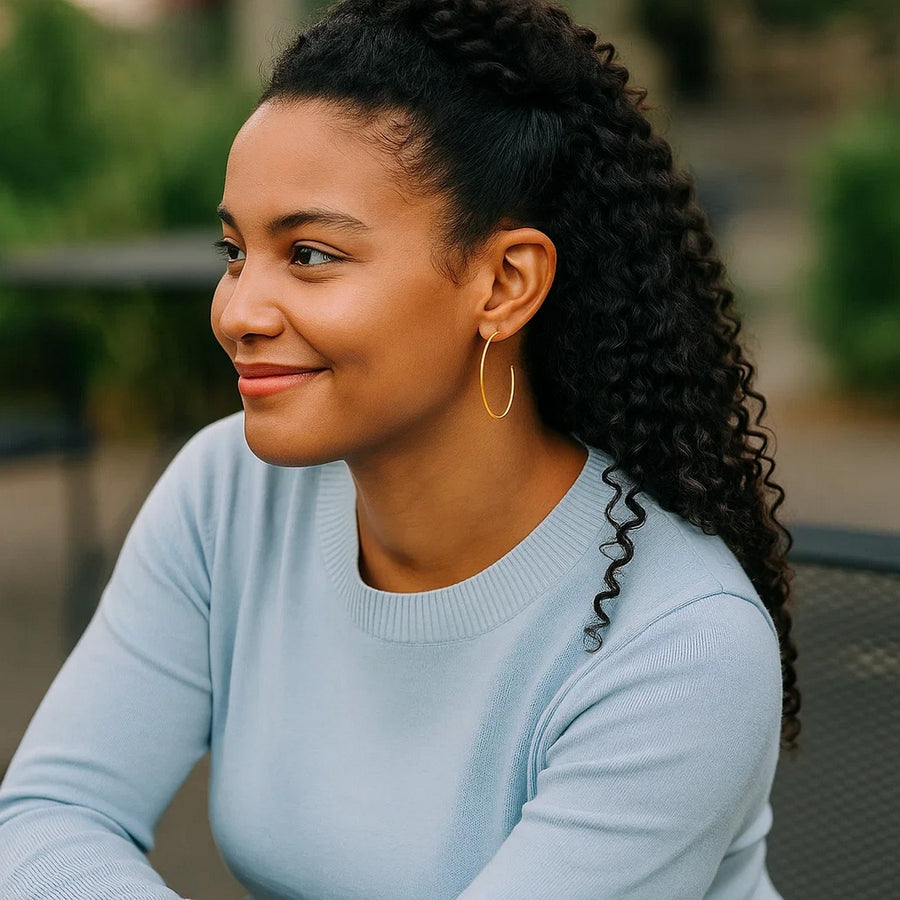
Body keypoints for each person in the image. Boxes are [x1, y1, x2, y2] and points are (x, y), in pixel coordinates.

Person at [0, 1, 801, 897]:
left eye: (309, 254)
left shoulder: (678, 645)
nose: (235, 312)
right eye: (235, 251)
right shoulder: (229, 492)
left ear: (503, 283)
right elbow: (47, 815)